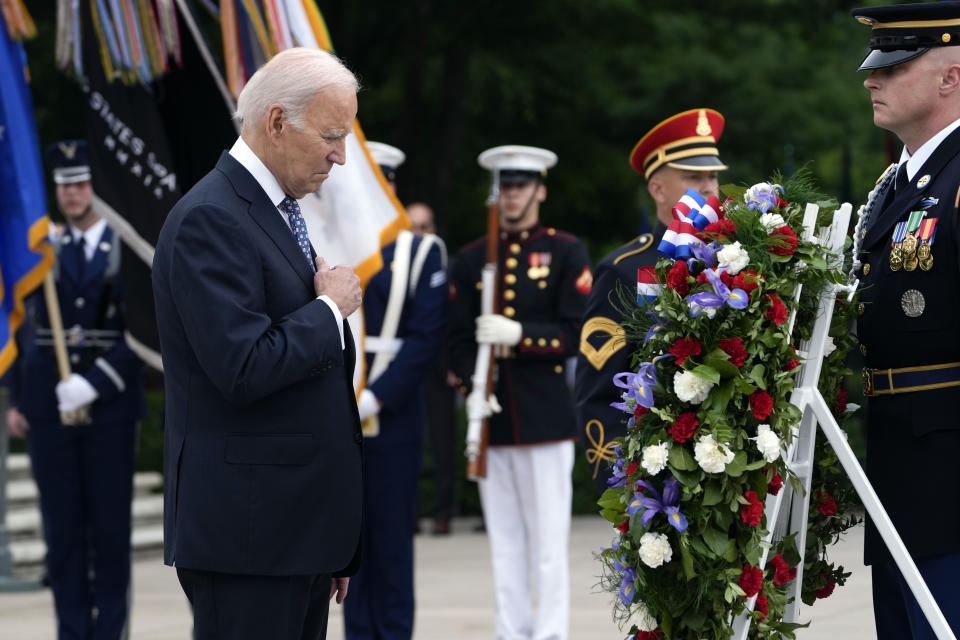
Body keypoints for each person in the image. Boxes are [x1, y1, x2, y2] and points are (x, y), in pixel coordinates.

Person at [151, 48, 364, 640]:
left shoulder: (270, 212)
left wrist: (328, 538)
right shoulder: (212, 218)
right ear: (276, 122)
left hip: (294, 535)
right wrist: (330, 308)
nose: (340, 156)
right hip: (248, 538)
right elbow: (242, 366)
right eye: (330, 135)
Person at [448, 145, 592, 640]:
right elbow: (456, 339)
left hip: (544, 418)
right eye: (504, 187)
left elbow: (576, 334)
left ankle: (550, 633)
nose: (511, 196)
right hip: (492, 416)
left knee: (548, 544)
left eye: (520, 187)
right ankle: (512, 631)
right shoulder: (470, 259)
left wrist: (518, 335)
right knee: (505, 543)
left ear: (540, 190)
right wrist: (471, 385)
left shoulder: (564, 251)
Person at [5, 139, 146, 639]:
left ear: (96, 187)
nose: (73, 194)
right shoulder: (42, 254)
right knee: (62, 535)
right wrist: (18, 396)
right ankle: (71, 631)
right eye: (65, 185)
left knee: (109, 533)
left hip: (109, 409)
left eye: (82, 183)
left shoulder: (125, 248)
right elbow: (21, 328)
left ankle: (110, 631)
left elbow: (144, 334)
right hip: (49, 409)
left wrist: (93, 383)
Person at [851, 3, 960, 637]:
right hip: (897, 466)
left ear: (950, 78)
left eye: (892, 68)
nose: (871, 79)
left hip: (950, 483)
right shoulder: (900, 183)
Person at [574, 109, 728, 491]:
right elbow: (598, 391)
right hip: (660, 477)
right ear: (657, 189)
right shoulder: (623, 271)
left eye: (713, 176)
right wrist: (621, 487)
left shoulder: (738, 262)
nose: (709, 187)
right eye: (693, 177)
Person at [345, 143, 447, 640]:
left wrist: (376, 395)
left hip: (394, 410)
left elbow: (426, 338)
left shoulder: (423, 251)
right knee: (347, 542)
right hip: (339, 409)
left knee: (390, 539)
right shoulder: (332, 243)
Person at [407, 201, 459, 536]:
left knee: (443, 444)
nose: (419, 234)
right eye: (413, 227)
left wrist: (455, 365)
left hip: (440, 366)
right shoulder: (391, 264)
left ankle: (443, 512)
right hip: (406, 366)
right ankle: (408, 514)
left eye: (424, 227)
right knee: (407, 443)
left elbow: (455, 320)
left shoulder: (447, 266)